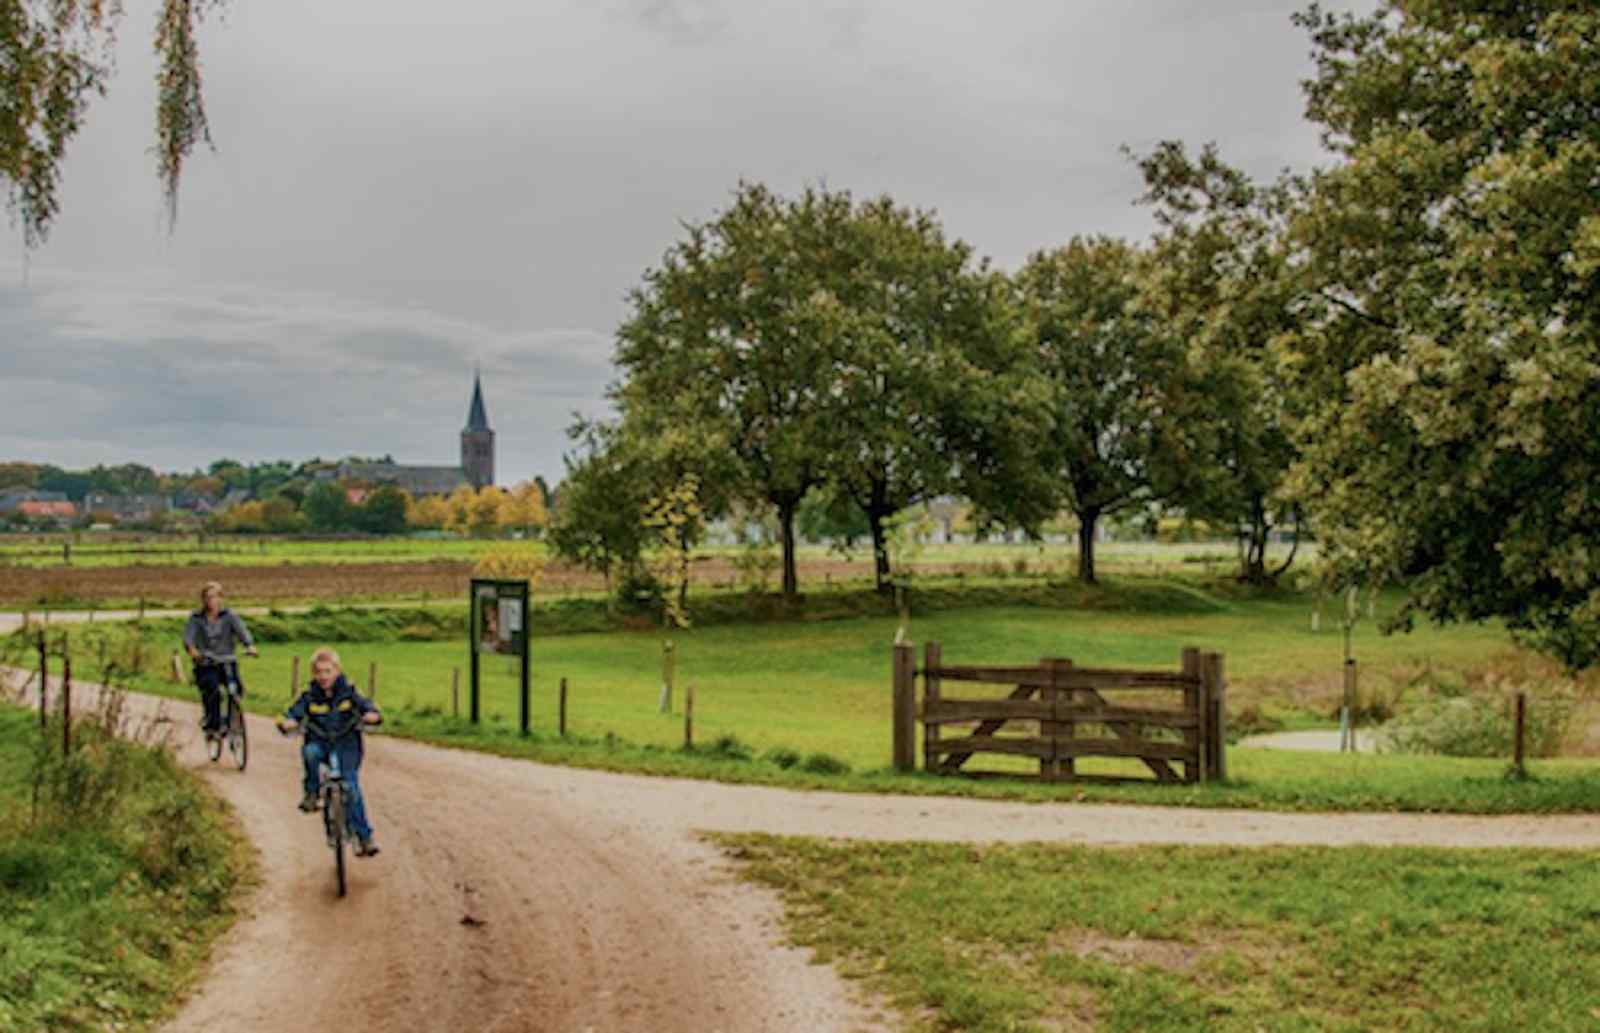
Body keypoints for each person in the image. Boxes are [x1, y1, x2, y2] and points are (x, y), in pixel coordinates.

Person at [276, 647, 383, 857]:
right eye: (319, 672)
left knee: (351, 787)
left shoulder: (349, 691)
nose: (323, 676)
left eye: (328, 671)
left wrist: (372, 715)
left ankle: (364, 837)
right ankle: (312, 793)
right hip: (320, 742)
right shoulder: (309, 696)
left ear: (337, 671)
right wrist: (289, 722)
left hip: (347, 745)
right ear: (313, 674)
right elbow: (293, 712)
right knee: (310, 753)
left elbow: (367, 706)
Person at [182, 581, 258, 738]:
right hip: (206, 663)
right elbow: (188, 639)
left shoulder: (229, 616)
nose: (213, 601)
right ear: (203, 600)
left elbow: (242, 632)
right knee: (213, 691)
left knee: (236, 689)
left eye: (216, 597)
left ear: (221, 599)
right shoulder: (196, 619)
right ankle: (213, 723)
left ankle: (232, 718)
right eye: (209, 597)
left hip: (227, 661)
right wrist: (193, 651)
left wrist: (249, 646)